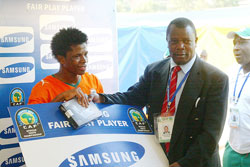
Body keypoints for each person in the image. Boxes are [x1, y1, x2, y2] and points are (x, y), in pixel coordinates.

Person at [92, 17, 229, 167]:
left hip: (195, 162)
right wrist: (99, 98)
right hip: (159, 158)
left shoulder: (215, 79)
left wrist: (183, 164)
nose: (180, 46)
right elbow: (132, 97)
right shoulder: (154, 71)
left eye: (186, 41)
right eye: (174, 41)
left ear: (195, 41)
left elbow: (210, 135)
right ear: (167, 41)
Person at [28, 28, 104, 107]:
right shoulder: (42, 88)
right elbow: (35, 117)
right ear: (62, 59)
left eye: (85, 54)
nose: (84, 60)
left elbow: (104, 113)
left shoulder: (93, 80)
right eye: (77, 56)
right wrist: (62, 97)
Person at [223, 28, 250, 167]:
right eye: (234, 43)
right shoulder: (231, 74)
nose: (236, 48)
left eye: (242, 42)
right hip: (232, 149)